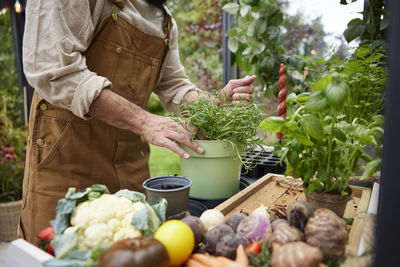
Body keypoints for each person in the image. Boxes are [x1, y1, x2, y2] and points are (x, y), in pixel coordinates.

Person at [20, 0, 255, 243]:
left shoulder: (163, 19)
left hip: (130, 166)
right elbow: (53, 70)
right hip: (67, 160)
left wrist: (211, 103)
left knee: (132, 251)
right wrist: (145, 122)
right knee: (58, 249)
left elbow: (173, 84)